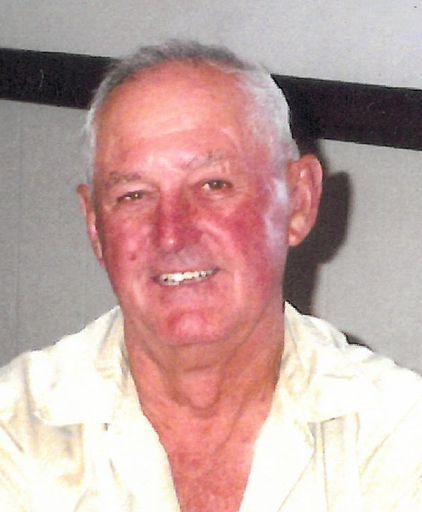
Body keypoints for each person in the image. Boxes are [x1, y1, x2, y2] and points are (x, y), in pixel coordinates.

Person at [0, 41, 421, 512]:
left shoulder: (396, 434)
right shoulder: (17, 429)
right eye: (133, 195)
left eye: (213, 185)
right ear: (96, 226)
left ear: (299, 202)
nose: (171, 234)